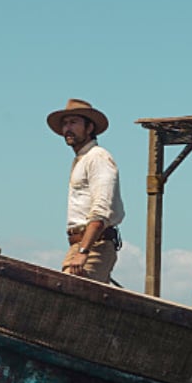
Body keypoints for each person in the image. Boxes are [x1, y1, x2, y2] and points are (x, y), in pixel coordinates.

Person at [47, 98, 125, 283]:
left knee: (69, 297)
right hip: (84, 244)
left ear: (89, 128)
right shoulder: (83, 160)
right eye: (65, 124)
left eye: (73, 122)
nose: (67, 129)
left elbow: (101, 210)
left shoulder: (97, 157)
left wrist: (83, 251)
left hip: (94, 245)